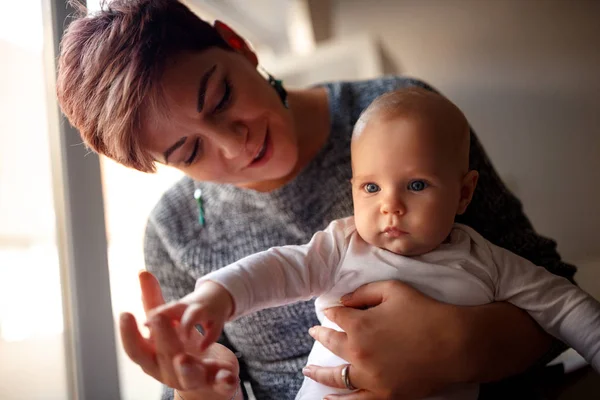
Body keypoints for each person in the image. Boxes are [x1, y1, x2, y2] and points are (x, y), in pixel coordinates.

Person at [56, 1, 580, 399]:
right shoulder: (172, 231)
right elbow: (200, 375)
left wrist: (462, 347)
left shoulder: (402, 118)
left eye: (221, 98)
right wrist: (206, 392)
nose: (235, 144)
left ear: (237, 43)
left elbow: (554, 295)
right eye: (190, 150)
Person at [149, 88, 600, 400]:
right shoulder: (343, 244)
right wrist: (216, 297)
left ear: (464, 193)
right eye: (371, 189)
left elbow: (565, 307)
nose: (391, 206)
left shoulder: (488, 262)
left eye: (417, 185)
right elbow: (278, 269)